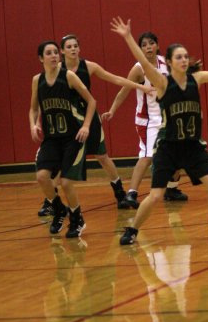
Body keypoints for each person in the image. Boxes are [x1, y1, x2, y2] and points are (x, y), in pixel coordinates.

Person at [109, 16, 208, 245]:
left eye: (185, 56)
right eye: (179, 57)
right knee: (155, 195)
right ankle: (133, 229)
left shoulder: (197, 78)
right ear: (170, 62)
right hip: (169, 146)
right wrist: (127, 37)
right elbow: (143, 64)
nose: (184, 60)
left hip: (192, 144)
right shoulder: (163, 83)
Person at [37, 33, 153, 217]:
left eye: (76, 46)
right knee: (61, 162)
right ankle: (50, 201)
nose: (73, 49)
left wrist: (141, 87)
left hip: (88, 118)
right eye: (69, 46)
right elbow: (43, 99)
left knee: (102, 156)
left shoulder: (89, 66)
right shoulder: (56, 70)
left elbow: (115, 79)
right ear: (62, 51)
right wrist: (37, 122)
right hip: (68, 123)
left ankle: (120, 193)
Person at [102, 31, 188, 205]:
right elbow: (123, 90)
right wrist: (112, 110)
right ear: (140, 48)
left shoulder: (166, 63)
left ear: (157, 45)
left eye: (151, 43)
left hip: (167, 116)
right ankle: (131, 194)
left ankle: (171, 188)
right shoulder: (138, 69)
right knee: (147, 156)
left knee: (182, 152)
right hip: (147, 120)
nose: (148, 47)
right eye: (144, 45)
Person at [30, 40, 96, 238]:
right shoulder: (37, 80)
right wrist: (33, 124)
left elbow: (92, 101)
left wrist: (86, 126)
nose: (53, 56)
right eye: (48, 53)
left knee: (66, 182)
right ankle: (59, 209)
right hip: (51, 139)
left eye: (54, 53)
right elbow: (33, 108)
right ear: (41, 58)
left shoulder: (68, 76)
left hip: (71, 137)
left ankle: (77, 218)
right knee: (42, 176)